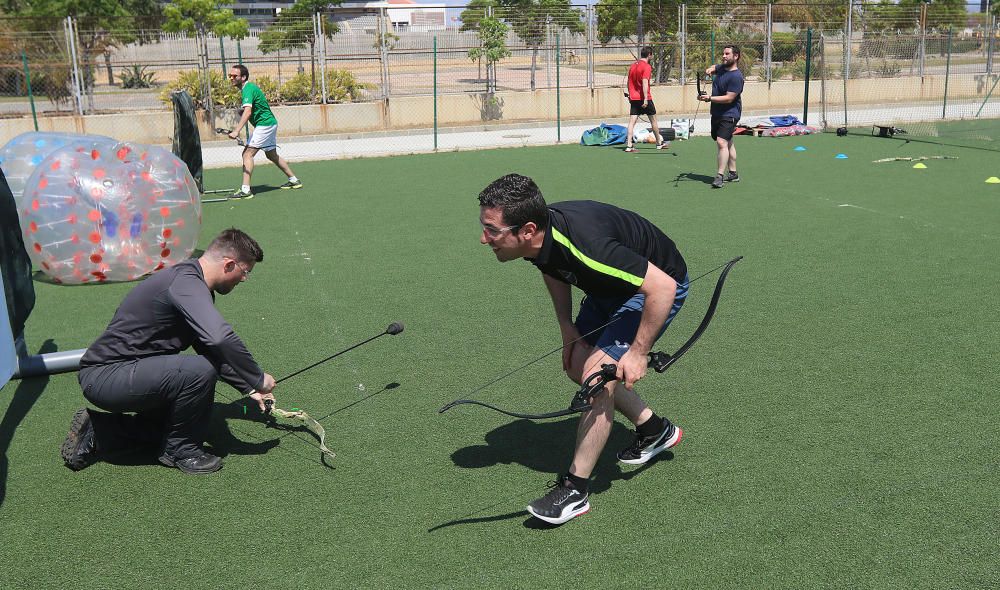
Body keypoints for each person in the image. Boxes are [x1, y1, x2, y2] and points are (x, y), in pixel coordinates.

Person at [478, 174, 689, 525]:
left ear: (527, 230)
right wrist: (567, 326)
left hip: (653, 289)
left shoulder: (588, 246)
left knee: (596, 379)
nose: (484, 239)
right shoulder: (538, 239)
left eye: (492, 230)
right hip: (611, 286)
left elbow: (663, 288)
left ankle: (575, 490)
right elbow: (552, 267)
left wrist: (637, 352)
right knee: (578, 364)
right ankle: (655, 431)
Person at [60, 228, 277, 475]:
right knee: (200, 371)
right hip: (106, 377)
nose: (244, 279)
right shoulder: (186, 284)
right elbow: (219, 338)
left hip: (125, 374)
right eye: (245, 272)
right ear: (228, 264)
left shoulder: (192, 284)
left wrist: (249, 387)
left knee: (175, 422)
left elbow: (206, 345)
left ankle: (97, 429)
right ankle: (181, 451)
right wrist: (258, 377)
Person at [227, 64, 302, 199]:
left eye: (234, 76)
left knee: (247, 154)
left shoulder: (248, 89)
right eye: (230, 76)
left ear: (243, 77)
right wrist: (243, 111)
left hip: (265, 125)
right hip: (269, 124)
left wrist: (236, 130)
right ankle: (294, 180)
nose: (231, 78)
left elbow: (248, 111)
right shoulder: (248, 88)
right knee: (271, 155)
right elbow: (251, 109)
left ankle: (245, 190)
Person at [699, 45, 744, 188]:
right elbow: (713, 67)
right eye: (723, 53)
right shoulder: (722, 68)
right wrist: (710, 69)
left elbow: (729, 98)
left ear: (736, 56)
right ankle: (733, 173)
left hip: (730, 114)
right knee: (728, 141)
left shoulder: (737, 77)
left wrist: (709, 98)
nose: (724, 56)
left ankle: (719, 176)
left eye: (727, 54)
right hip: (717, 113)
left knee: (721, 142)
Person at [624, 47, 668, 153]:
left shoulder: (633, 65)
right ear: (649, 55)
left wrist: (630, 95)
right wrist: (645, 100)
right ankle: (659, 143)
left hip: (634, 98)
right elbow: (644, 83)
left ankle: (629, 145)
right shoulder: (647, 66)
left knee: (632, 121)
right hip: (645, 98)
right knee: (653, 120)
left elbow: (628, 82)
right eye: (651, 55)